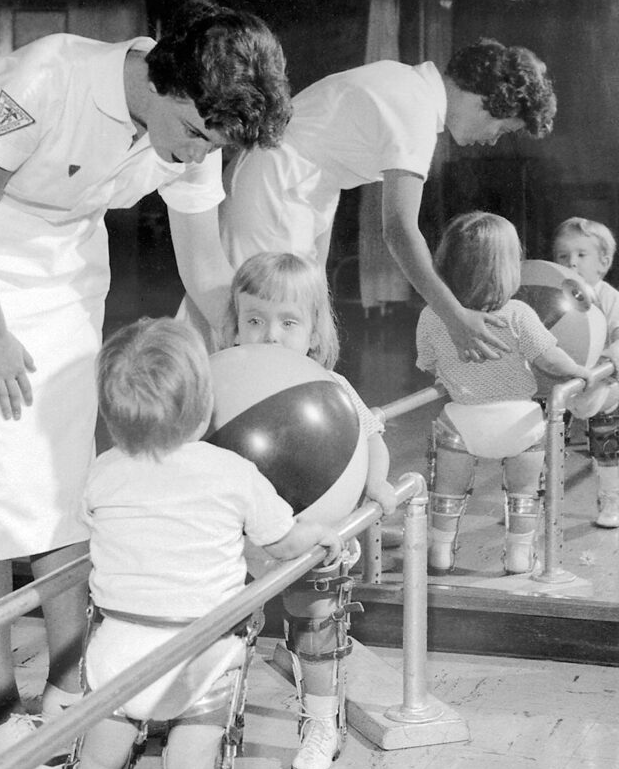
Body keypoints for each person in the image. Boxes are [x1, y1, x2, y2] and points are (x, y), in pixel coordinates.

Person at [0, 0, 292, 769]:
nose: (192, 158)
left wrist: (259, 362)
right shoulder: (45, 78)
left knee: (67, 479)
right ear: (168, 86)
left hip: (64, 263)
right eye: (193, 138)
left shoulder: (195, 128)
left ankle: (70, 684)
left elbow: (207, 271)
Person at [48, 317, 342, 769]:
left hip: (118, 650)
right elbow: (284, 540)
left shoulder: (101, 471)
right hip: (202, 653)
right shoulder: (231, 474)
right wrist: (319, 538)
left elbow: (92, 524)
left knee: (98, 764)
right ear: (204, 404)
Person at [220, 38, 556, 363]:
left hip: (296, 188)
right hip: (277, 187)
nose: (492, 142)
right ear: (487, 101)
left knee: (290, 322)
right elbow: (398, 229)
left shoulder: (408, 84)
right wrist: (454, 316)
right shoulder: (416, 109)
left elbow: (327, 163)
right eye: (501, 130)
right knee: (261, 325)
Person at [224, 251, 397, 769]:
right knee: (225, 633)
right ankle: (214, 721)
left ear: (314, 333)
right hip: (237, 541)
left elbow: (370, 440)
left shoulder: (331, 389)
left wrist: (377, 481)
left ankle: (322, 721)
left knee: (316, 627)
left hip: (311, 536)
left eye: (288, 322)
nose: (270, 334)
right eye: (254, 320)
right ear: (234, 325)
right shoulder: (221, 377)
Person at [416, 212, 598, 575]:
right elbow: (549, 359)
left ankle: (439, 550)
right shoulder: (518, 314)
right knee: (523, 495)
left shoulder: (433, 315)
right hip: (519, 425)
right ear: (509, 268)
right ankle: (518, 555)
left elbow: (428, 364)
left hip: (462, 423)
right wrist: (579, 371)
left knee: (447, 493)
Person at [552, 217, 619, 527]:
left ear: (603, 262)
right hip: (562, 381)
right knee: (544, 438)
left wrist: (609, 359)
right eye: (563, 256)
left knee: (607, 440)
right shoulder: (553, 295)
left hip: (602, 384)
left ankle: (611, 498)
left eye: (581, 255)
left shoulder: (610, 298)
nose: (572, 263)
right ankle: (538, 492)